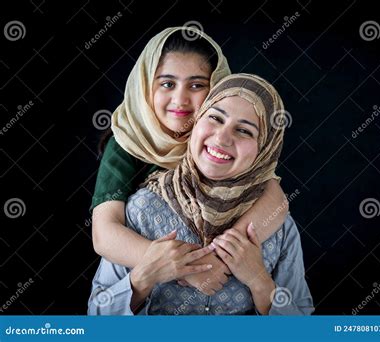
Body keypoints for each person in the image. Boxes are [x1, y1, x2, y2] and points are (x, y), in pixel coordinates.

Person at [88, 74, 314, 315]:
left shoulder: (277, 226)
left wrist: (260, 281)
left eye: (244, 131)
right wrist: (144, 277)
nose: (222, 137)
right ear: (195, 122)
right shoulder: (141, 210)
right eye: (215, 118)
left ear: (266, 150)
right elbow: (96, 318)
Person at [91, 27, 289, 294]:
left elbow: (274, 196)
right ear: (145, 84)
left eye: (196, 85)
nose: (180, 99)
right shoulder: (128, 143)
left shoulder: (217, 140)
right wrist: (183, 265)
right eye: (167, 84)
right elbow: (104, 235)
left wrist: (224, 256)